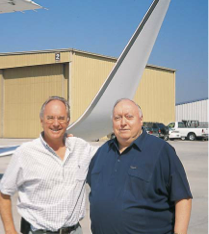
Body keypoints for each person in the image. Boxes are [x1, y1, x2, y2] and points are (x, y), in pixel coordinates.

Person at [87, 98, 192, 234]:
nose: (123, 123)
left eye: (129, 117)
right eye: (117, 118)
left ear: (140, 120)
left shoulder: (161, 151)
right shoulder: (102, 152)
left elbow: (182, 197)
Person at [0, 96, 97, 234]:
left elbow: (110, 156)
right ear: (41, 121)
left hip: (74, 230)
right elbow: (4, 192)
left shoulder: (81, 148)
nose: (56, 123)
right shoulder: (26, 153)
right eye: (50, 118)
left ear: (68, 121)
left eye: (61, 118)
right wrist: (10, 230)